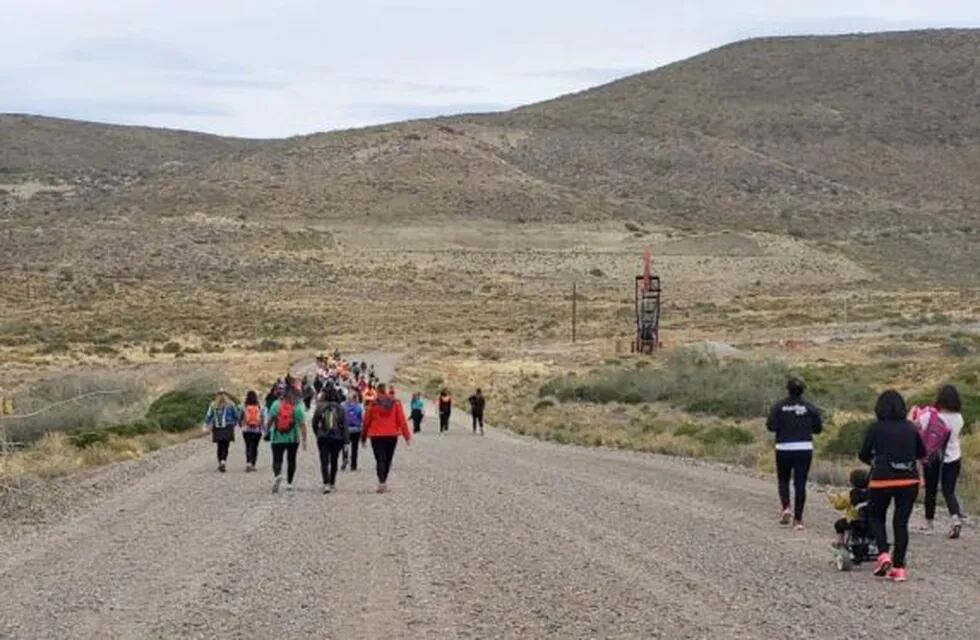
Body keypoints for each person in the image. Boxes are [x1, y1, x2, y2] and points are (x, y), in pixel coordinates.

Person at [859, 390, 926, 582]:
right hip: (909, 480)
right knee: (901, 523)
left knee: (876, 516)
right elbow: (922, 452)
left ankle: (883, 554)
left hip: (882, 479)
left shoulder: (875, 428)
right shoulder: (911, 428)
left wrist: (874, 461)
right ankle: (899, 568)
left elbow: (863, 454)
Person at [766, 378, 823, 530]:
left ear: (788, 389)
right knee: (800, 483)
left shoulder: (778, 407)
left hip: (783, 447)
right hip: (804, 448)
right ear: (802, 390)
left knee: (783, 479)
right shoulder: (810, 408)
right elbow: (818, 429)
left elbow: (771, 426)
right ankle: (798, 520)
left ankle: (786, 507)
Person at [921, 384, 966, 538]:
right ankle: (955, 518)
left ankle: (929, 524)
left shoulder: (931, 416)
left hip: (933, 457)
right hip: (954, 457)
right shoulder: (959, 418)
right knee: (949, 491)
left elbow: (916, 426)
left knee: (931, 491)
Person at [362, 383, 411, 493]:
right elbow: (401, 420)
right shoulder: (396, 403)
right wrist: (406, 436)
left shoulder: (373, 404)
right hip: (391, 435)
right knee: (388, 459)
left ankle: (381, 482)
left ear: (378, 391)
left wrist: (363, 437)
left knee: (380, 459)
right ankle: (384, 480)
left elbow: (366, 421)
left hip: (376, 436)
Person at [267, 389, 308, 493]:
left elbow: (270, 420)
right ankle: (289, 483)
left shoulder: (276, 405)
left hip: (277, 437)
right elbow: (302, 425)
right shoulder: (297, 407)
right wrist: (304, 440)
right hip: (293, 439)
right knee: (291, 460)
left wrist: (266, 431)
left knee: (277, 459)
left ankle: (277, 475)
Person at [313, 388, 348, 493]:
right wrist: (346, 440)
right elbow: (345, 426)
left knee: (324, 461)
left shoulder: (320, 407)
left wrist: (318, 433)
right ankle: (332, 483)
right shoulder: (341, 408)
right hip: (337, 438)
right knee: (334, 461)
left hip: (323, 437)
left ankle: (326, 483)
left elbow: (314, 423)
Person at [829, 469, 871, 548]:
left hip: (854, 521)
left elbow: (839, 505)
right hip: (871, 521)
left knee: (839, 524)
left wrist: (832, 499)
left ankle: (840, 541)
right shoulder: (873, 494)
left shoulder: (850, 494)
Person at [204, 389, 239, 473]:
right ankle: (223, 461)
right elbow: (236, 415)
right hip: (228, 427)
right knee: (226, 446)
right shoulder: (231, 404)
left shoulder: (213, 405)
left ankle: (220, 462)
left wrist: (206, 424)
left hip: (217, 427)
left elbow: (208, 415)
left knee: (219, 446)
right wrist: (234, 423)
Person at [240, 390, 264, 471]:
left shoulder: (244, 407)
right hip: (257, 430)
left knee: (248, 446)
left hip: (246, 430)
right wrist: (263, 428)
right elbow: (262, 418)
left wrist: (241, 425)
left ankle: (248, 463)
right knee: (255, 447)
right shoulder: (259, 407)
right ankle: (253, 464)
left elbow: (240, 418)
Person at [342, 391, 364, 470]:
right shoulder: (358, 407)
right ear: (356, 398)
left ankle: (345, 457)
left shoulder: (343, 406)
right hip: (356, 430)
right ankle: (353, 465)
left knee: (345, 445)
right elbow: (361, 419)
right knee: (355, 448)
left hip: (346, 430)